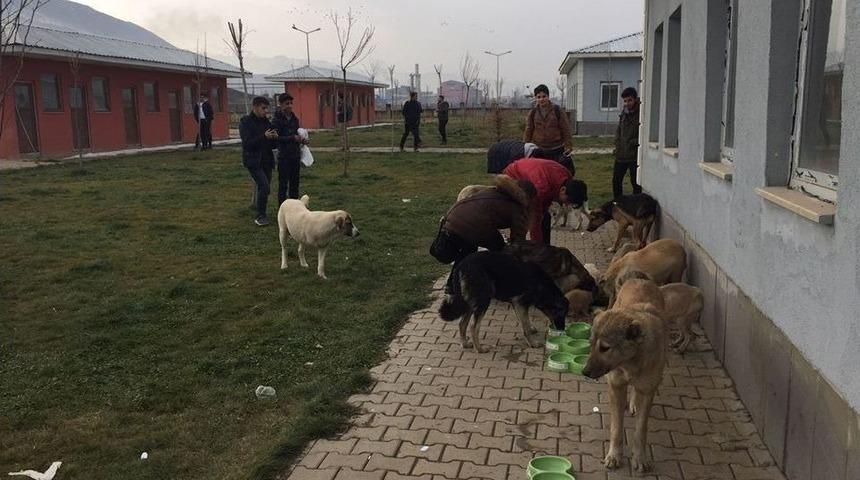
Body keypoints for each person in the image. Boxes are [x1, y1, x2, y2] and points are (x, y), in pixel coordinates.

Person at [430, 175, 537, 293]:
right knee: (501, 252)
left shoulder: (494, 190)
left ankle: (452, 286)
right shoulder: (518, 207)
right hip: (476, 226)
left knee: (467, 251)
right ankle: (501, 287)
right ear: (528, 198)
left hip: (454, 217)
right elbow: (518, 239)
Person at [503, 157, 587, 245]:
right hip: (512, 175)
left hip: (532, 170)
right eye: (568, 200)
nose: (567, 204)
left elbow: (548, 198)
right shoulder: (541, 188)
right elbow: (535, 220)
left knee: (545, 217)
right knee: (521, 215)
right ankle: (516, 246)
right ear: (563, 190)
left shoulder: (567, 177)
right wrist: (537, 247)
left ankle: (545, 247)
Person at [240, 96, 278, 226]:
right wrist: (264, 137)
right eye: (263, 108)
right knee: (264, 185)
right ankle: (260, 215)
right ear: (255, 107)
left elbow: (272, 144)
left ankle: (262, 210)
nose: (265, 111)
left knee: (265, 189)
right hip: (253, 160)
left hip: (266, 159)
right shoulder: (246, 122)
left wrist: (274, 137)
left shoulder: (266, 122)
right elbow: (247, 144)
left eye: (267, 108)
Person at [271, 93, 307, 204]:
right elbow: (276, 139)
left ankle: (295, 208)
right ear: (280, 105)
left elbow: (297, 133)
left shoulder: (294, 119)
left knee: (294, 184)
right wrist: (291, 138)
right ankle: (282, 209)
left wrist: (302, 139)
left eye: (291, 103)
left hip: (295, 155)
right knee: (283, 185)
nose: (290, 106)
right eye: (287, 104)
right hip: (284, 156)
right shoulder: (276, 120)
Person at [524, 84, 573, 163]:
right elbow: (529, 129)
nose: (541, 99)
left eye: (544, 96)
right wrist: (525, 145)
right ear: (536, 98)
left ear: (548, 96)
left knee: (556, 172)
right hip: (539, 149)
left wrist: (568, 145)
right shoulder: (533, 112)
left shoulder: (557, 110)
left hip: (556, 149)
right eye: (539, 97)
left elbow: (565, 128)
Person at [613, 87, 643, 199]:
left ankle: (636, 203)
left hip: (634, 154)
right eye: (625, 101)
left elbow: (643, 133)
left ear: (635, 99)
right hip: (621, 154)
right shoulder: (624, 113)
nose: (627, 103)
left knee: (635, 182)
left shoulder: (641, 112)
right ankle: (618, 203)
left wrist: (633, 142)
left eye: (629, 100)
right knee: (616, 181)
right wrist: (617, 143)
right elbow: (619, 129)